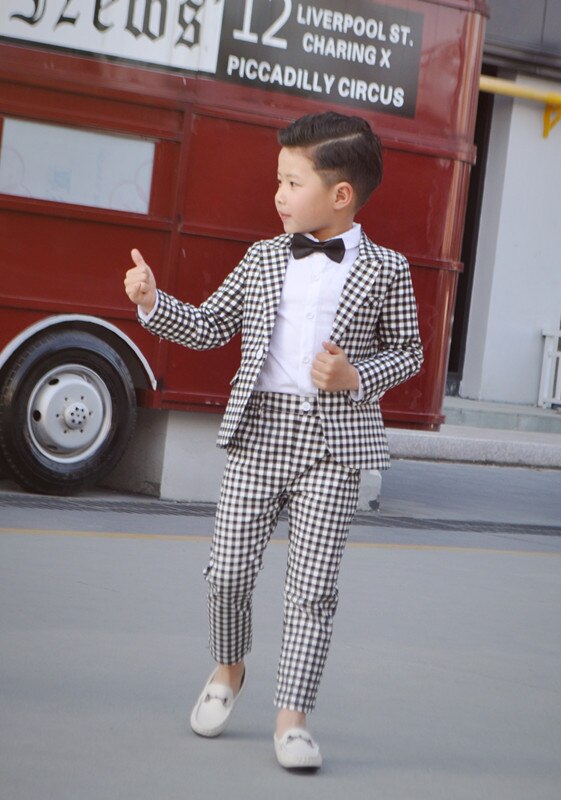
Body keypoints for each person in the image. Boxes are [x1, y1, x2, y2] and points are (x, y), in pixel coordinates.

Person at [123, 111, 423, 770]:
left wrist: (355, 375)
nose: (278, 196)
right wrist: (151, 302)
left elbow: (408, 353)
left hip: (332, 446)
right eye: (278, 181)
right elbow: (206, 328)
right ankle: (229, 669)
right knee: (227, 574)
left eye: (291, 182)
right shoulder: (262, 258)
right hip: (258, 432)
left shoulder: (387, 269)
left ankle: (293, 718)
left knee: (311, 590)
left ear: (340, 194)